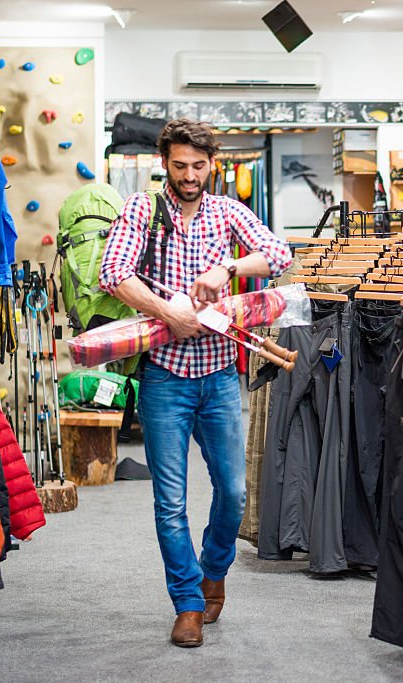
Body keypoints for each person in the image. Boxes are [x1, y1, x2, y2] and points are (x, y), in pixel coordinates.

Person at [99, 118, 292, 647]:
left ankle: (214, 569)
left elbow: (278, 254)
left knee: (232, 492)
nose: (189, 175)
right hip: (165, 377)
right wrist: (168, 312)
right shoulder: (141, 208)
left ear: (213, 165)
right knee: (170, 501)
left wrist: (226, 267)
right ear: (165, 162)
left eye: (198, 166)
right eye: (180, 165)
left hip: (219, 375)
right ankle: (186, 602)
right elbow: (113, 273)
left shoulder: (227, 211)